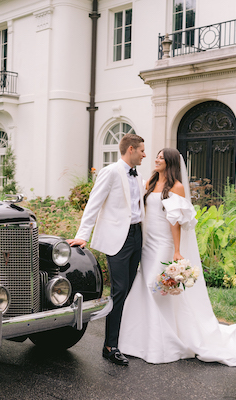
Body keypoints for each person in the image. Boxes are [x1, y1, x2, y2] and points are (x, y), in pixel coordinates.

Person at [118, 148, 236, 366]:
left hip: (164, 244)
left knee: (154, 286)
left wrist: (176, 251)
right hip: (147, 244)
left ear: (170, 162)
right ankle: (137, 340)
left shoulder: (176, 187)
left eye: (160, 157)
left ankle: (163, 342)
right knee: (146, 286)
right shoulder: (149, 183)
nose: (156, 160)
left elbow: (176, 222)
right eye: (156, 156)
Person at [67, 133, 146, 366]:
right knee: (119, 291)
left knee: (128, 290)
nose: (144, 154)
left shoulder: (137, 173)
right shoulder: (111, 171)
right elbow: (94, 203)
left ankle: (122, 340)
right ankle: (111, 346)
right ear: (130, 149)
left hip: (136, 236)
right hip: (117, 240)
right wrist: (82, 236)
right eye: (142, 150)